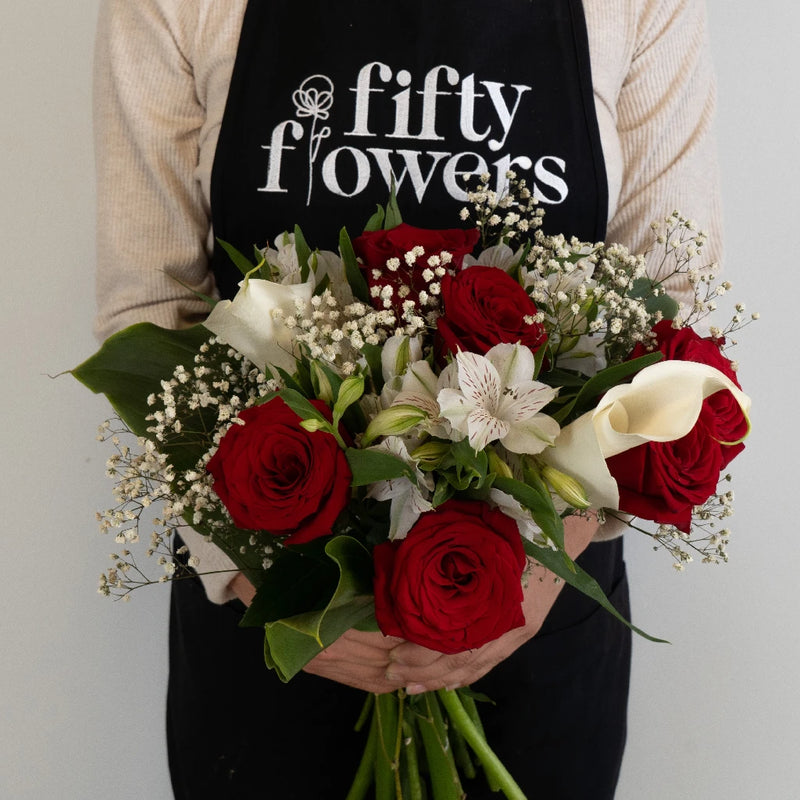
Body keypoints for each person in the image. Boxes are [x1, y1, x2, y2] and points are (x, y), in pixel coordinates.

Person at [93, 0, 722, 797]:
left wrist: (552, 551)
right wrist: (264, 578)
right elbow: (151, 312)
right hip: (273, 612)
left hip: (536, 611)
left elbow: (670, 307)